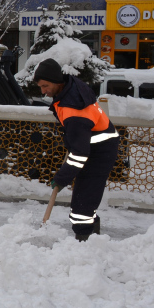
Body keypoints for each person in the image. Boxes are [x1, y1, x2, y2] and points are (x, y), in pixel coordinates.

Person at [33, 58, 119, 242]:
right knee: (85, 196)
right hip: (94, 143)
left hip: (100, 151)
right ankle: (91, 237)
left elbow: (80, 154)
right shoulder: (69, 89)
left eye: (45, 86)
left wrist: (61, 178)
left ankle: (84, 243)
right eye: (40, 86)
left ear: (57, 81)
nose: (43, 91)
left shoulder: (74, 110)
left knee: (82, 204)